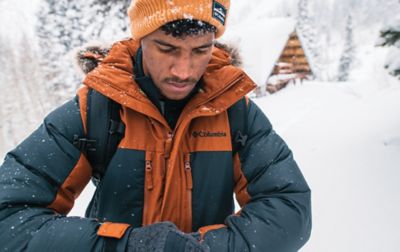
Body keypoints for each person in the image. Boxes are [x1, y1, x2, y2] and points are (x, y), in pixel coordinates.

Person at [0, 0, 312, 251]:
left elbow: (289, 209)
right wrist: (126, 245)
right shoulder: (95, 108)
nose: (183, 70)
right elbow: (9, 217)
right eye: (167, 48)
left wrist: (204, 248)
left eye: (201, 50)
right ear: (141, 39)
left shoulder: (235, 112)